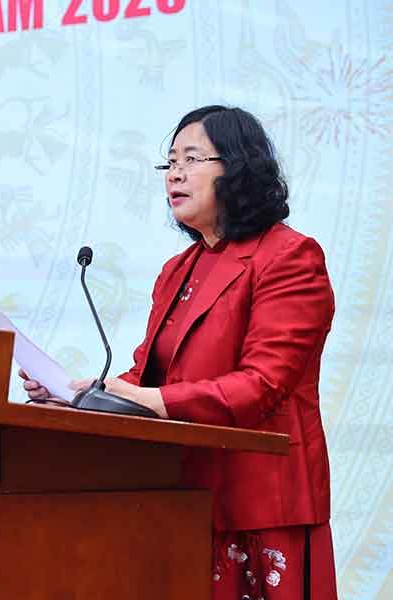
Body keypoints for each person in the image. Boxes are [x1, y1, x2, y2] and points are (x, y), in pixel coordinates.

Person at [22, 105, 337, 600]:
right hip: (184, 499)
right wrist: (77, 397)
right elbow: (147, 377)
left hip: (262, 504)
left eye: (191, 159)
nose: (175, 174)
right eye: (170, 162)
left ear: (238, 167)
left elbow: (263, 384)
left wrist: (149, 400)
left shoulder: (289, 256)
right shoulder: (178, 270)